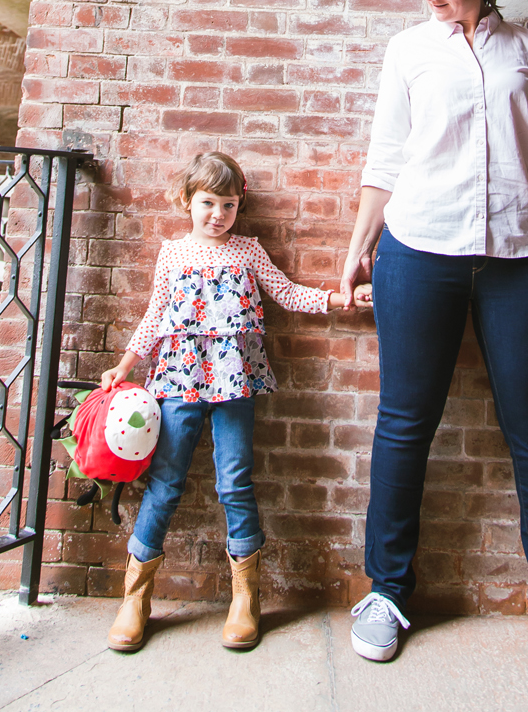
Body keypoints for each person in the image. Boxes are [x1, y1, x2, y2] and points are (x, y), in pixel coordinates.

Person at [339, 0, 528, 674]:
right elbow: (387, 156)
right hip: (418, 251)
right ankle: (387, 592)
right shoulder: (408, 52)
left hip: (522, 258)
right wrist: (358, 250)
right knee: (405, 423)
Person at [100, 150, 358, 654]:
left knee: (235, 481)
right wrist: (125, 365)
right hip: (177, 380)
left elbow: (284, 292)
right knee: (166, 483)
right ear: (187, 201)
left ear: (240, 207)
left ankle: (246, 597)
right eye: (208, 203)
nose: (218, 215)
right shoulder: (172, 253)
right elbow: (156, 315)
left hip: (235, 384)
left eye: (229, 205)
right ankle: (135, 598)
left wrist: (335, 298)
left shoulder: (247, 251)